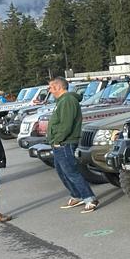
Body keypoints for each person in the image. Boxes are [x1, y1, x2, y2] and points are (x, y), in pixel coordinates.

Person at [46, 77, 98, 213]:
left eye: (50, 87)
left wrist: (57, 140)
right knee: (62, 171)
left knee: (71, 171)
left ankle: (89, 198)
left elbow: (66, 124)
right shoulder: (61, 101)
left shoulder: (67, 100)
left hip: (65, 143)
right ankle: (77, 195)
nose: (49, 90)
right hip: (60, 143)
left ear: (58, 87)